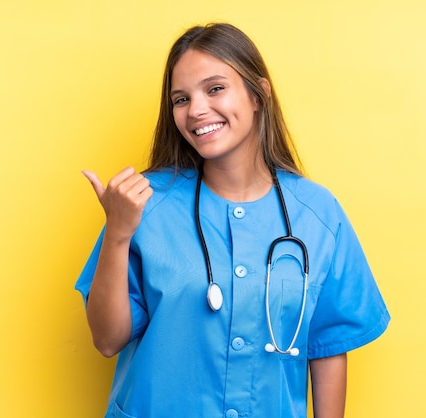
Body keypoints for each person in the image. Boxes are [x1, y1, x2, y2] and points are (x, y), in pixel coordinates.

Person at [76, 22, 390, 418]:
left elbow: (327, 346)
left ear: (259, 95)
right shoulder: (143, 205)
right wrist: (118, 234)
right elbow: (107, 339)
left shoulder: (318, 214)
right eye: (180, 99)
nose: (196, 110)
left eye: (215, 89)